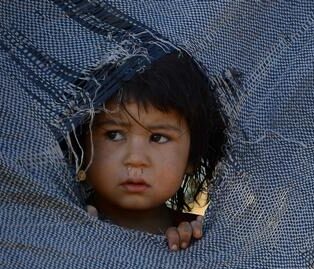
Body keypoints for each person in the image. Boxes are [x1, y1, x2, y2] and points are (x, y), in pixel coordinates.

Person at [74, 51, 227, 251]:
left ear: (191, 158)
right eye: (114, 135)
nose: (136, 159)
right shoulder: (51, 217)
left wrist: (193, 248)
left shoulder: (201, 234)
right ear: (81, 146)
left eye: (158, 138)